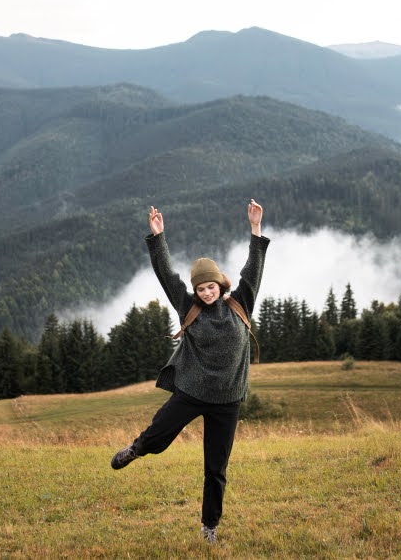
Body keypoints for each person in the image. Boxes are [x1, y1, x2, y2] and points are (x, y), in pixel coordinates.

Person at [110, 200, 269, 545]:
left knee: (216, 469)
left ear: (220, 285)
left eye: (211, 286)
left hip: (227, 402)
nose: (207, 292)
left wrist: (255, 230)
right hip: (192, 391)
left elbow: (253, 268)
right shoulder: (189, 307)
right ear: (195, 291)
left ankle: (209, 526)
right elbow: (167, 275)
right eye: (201, 288)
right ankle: (136, 449)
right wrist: (158, 237)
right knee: (158, 435)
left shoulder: (241, 302)